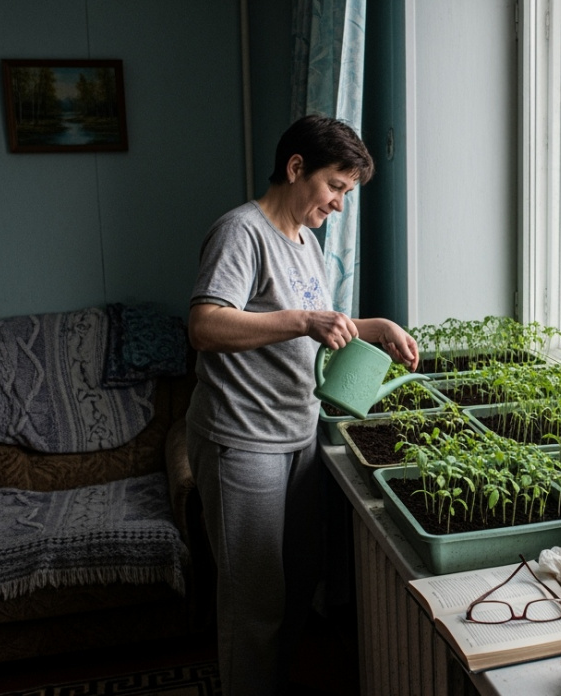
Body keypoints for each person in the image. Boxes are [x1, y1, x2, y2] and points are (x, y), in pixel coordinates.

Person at [185, 114, 419, 695]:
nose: (339, 204)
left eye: (346, 192)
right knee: (254, 600)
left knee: (297, 582)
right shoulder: (241, 233)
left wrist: (374, 327)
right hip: (242, 440)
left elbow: (321, 327)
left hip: (297, 433)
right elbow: (205, 325)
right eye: (335, 187)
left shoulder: (305, 241)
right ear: (296, 169)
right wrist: (303, 320)